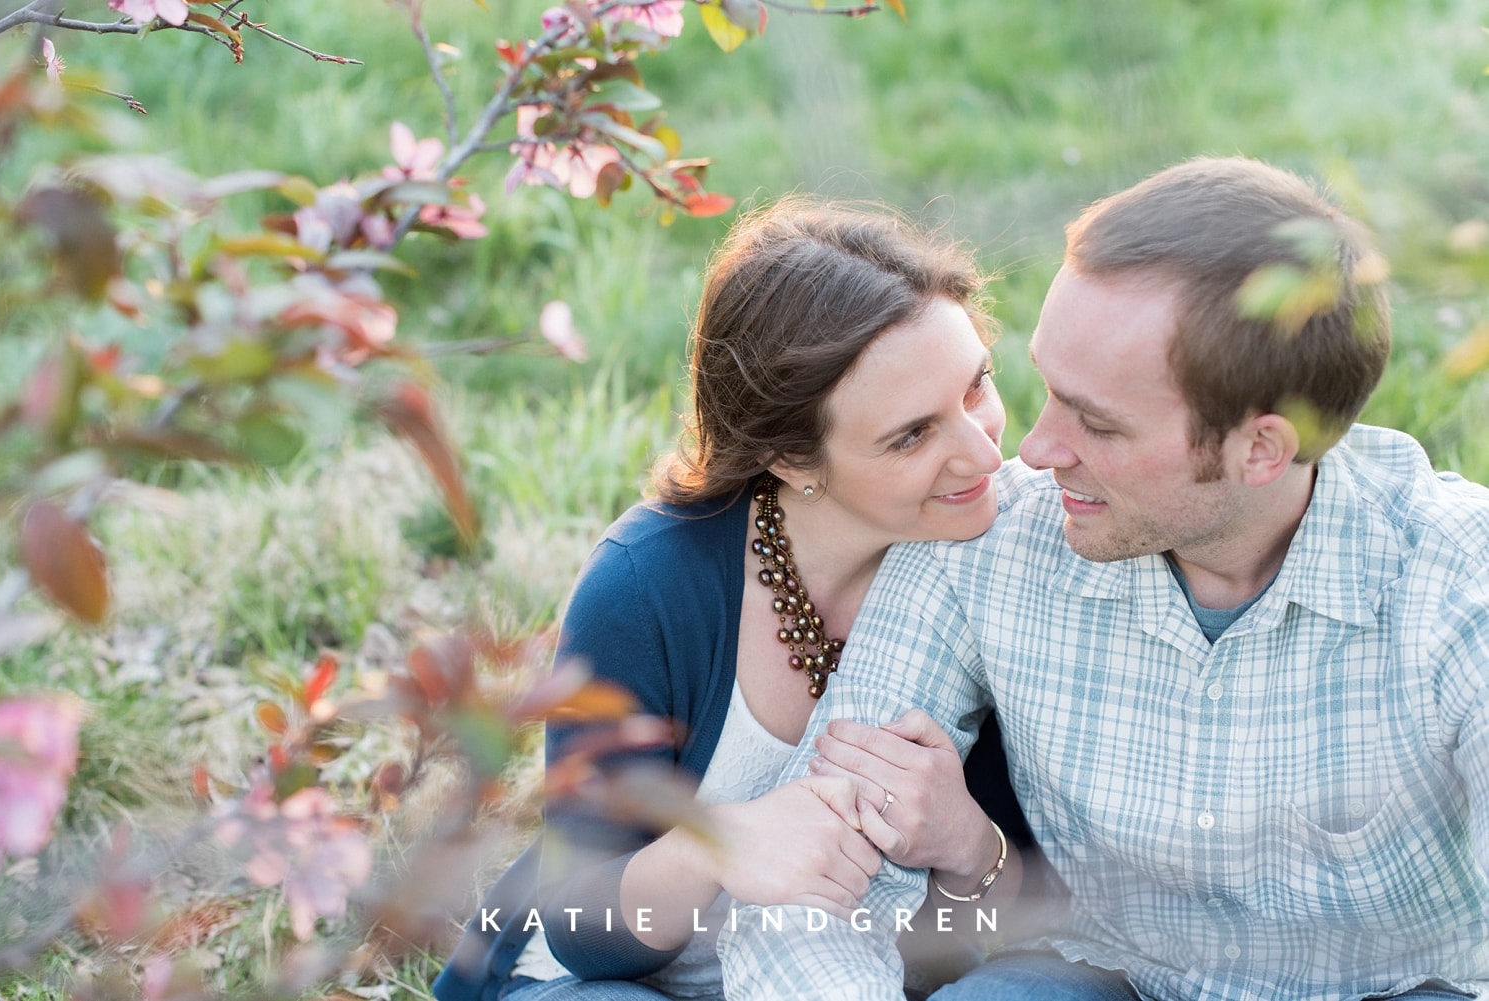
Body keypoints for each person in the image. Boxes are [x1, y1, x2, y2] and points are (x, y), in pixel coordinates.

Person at [717, 156, 1489, 1001]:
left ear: (1260, 449)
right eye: (1046, 389)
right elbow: (800, 898)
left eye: (1098, 422)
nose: (1035, 450)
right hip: (1104, 974)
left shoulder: (1454, 584)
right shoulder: (986, 540)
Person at [433, 195, 1032, 1001]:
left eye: (977, 386)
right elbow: (577, 928)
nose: (983, 450)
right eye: (913, 434)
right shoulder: (646, 586)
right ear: (790, 456)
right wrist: (714, 848)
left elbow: (1004, 932)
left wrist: (970, 847)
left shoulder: (1001, 566)